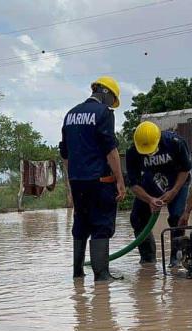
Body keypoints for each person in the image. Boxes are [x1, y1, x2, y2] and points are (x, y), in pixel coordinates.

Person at [59, 76, 126, 281]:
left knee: (81, 224)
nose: (111, 105)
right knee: (101, 224)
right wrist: (120, 181)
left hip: (77, 181)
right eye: (112, 100)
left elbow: (65, 154)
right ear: (106, 93)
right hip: (99, 181)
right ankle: (101, 275)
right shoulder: (103, 113)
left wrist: (70, 185)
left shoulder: (70, 114)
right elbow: (110, 150)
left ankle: (77, 273)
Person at [125, 121, 192, 266]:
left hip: (177, 183)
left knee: (177, 217)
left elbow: (185, 170)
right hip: (150, 184)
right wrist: (149, 199)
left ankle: (177, 258)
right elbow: (133, 184)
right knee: (137, 218)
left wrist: (173, 191)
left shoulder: (175, 143)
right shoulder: (132, 152)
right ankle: (148, 260)